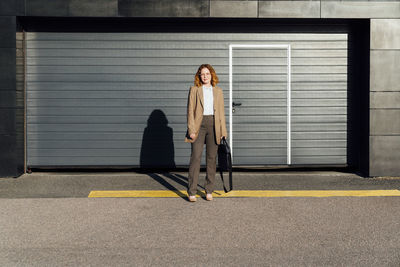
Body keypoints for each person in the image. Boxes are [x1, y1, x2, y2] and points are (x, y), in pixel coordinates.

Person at [185, 64, 228, 202]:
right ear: (199, 76)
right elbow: (190, 111)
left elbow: (221, 112)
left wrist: (223, 131)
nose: (205, 76)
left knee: (211, 159)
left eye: (207, 74)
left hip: (214, 125)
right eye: (202, 74)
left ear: (212, 75)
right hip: (198, 125)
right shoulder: (194, 90)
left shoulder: (218, 91)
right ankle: (192, 191)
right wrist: (192, 130)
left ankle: (209, 190)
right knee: (196, 157)